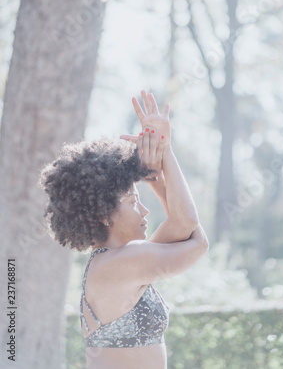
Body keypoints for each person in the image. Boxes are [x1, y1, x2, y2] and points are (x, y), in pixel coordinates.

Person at [39, 89, 209, 369]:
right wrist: (164, 153)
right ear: (104, 214)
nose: (144, 211)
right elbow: (195, 237)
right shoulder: (118, 263)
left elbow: (184, 226)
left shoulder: (122, 260)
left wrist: (153, 176)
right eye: (133, 201)